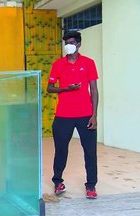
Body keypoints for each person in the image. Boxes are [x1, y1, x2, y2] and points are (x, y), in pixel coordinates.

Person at [47, 31, 99, 199]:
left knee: (90, 152)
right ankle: (57, 182)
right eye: (66, 43)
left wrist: (94, 115)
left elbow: (94, 90)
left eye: (71, 42)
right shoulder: (58, 64)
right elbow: (50, 88)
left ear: (78, 44)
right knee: (61, 151)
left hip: (85, 114)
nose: (68, 46)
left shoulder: (89, 63)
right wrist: (65, 89)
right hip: (63, 115)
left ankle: (91, 185)